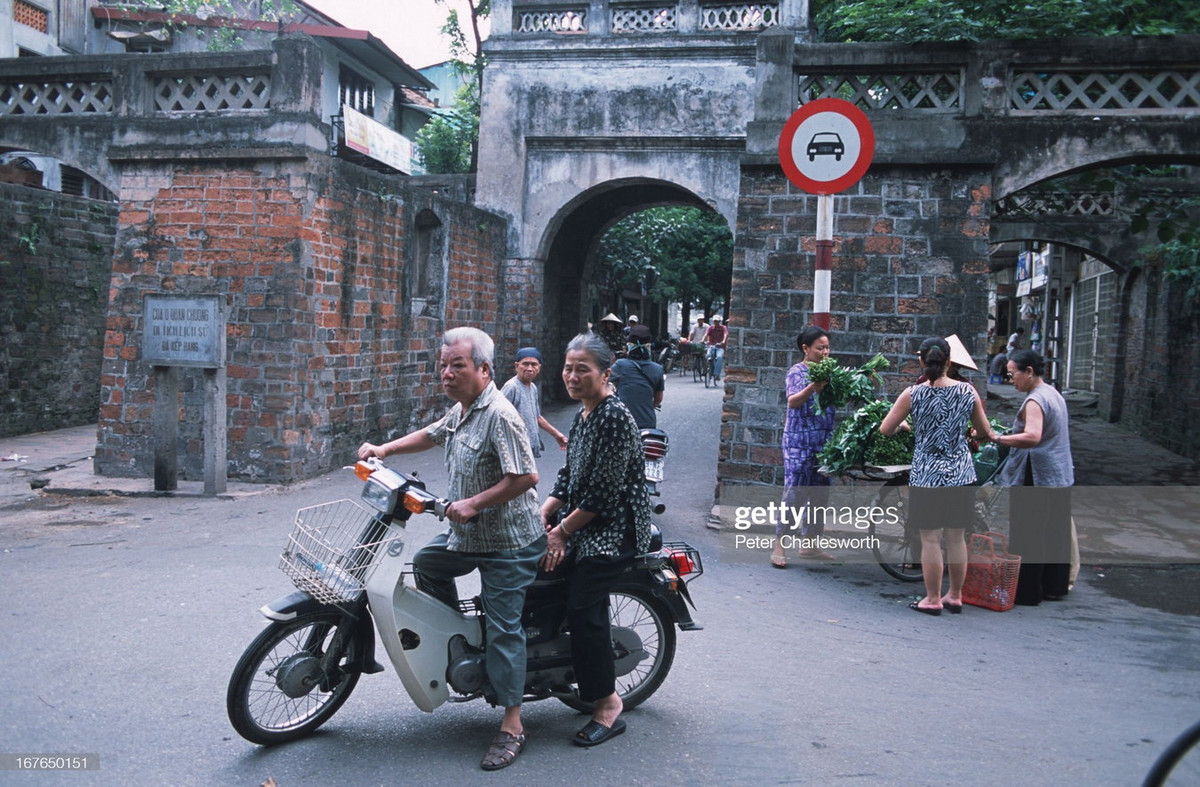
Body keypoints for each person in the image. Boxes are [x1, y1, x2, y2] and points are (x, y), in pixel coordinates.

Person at [357, 327, 545, 771]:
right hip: (467, 537)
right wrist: (384, 449)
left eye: (456, 365)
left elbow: (526, 477)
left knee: (504, 628)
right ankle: (460, 641)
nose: (446, 373)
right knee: (426, 563)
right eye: (443, 365)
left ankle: (513, 724)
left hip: (507, 543)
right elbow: (430, 434)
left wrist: (475, 502)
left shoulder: (500, 414)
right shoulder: (463, 410)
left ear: (483, 369)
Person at [540, 332, 652, 748]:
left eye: (581, 369)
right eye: (568, 368)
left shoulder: (614, 417)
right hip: (583, 518)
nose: (571, 376)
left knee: (583, 605)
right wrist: (543, 511)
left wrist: (560, 532)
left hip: (614, 528)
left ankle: (607, 704)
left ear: (605, 374)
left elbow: (603, 498)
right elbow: (569, 476)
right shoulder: (584, 413)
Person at [880, 337, 995, 615]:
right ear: (948, 362)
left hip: (927, 475)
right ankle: (954, 596)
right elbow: (984, 431)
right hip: (960, 474)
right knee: (956, 539)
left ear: (922, 361)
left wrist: (908, 427)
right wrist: (966, 433)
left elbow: (885, 429)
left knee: (930, 539)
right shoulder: (968, 392)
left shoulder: (913, 394)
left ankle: (932, 599)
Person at [994, 348, 1075, 605]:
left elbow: (1032, 436)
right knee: (1053, 533)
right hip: (1058, 473)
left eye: (1012, 374)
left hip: (1037, 474)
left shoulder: (1035, 400)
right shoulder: (1052, 393)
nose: (1010, 380)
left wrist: (998, 437)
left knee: (1029, 534)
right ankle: (1053, 587)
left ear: (1029, 371)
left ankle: (1028, 592)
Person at [770, 326, 837, 567]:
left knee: (820, 493)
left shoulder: (829, 371)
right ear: (805, 348)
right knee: (795, 493)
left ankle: (810, 545)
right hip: (799, 441)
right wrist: (812, 388)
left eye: (827, 347)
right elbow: (793, 402)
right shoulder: (797, 372)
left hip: (824, 441)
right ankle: (780, 545)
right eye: (820, 348)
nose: (825, 352)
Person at [501, 347, 568, 457]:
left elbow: (536, 417)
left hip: (528, 445)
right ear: (516, 366)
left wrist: (556, 434)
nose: (530, 368)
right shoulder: (511, 387)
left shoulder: (533, 388)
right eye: (525, 364)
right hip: (514, 448)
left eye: (534, 365)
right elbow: (498, 416)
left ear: (539, 368)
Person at [609, 324, 665, 429]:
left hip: (623, 423)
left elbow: (604, 386)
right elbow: (658, 399)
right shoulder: (658, 369)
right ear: (649, 346)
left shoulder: (620, 365)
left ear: (629, 346)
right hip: (648, 423)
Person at [704, 314, 729, 382]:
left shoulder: (723, 328)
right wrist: (703, 340)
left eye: (717, 321)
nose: (716, 323)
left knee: (719, 357)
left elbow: (725, 334)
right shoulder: (711, 328)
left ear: (719, 322)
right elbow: (706, 334)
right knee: (708, 355)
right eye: (715, 321)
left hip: (720, 346)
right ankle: (708, 368)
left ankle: (717, 374)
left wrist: (723, 341)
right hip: (711, 345)